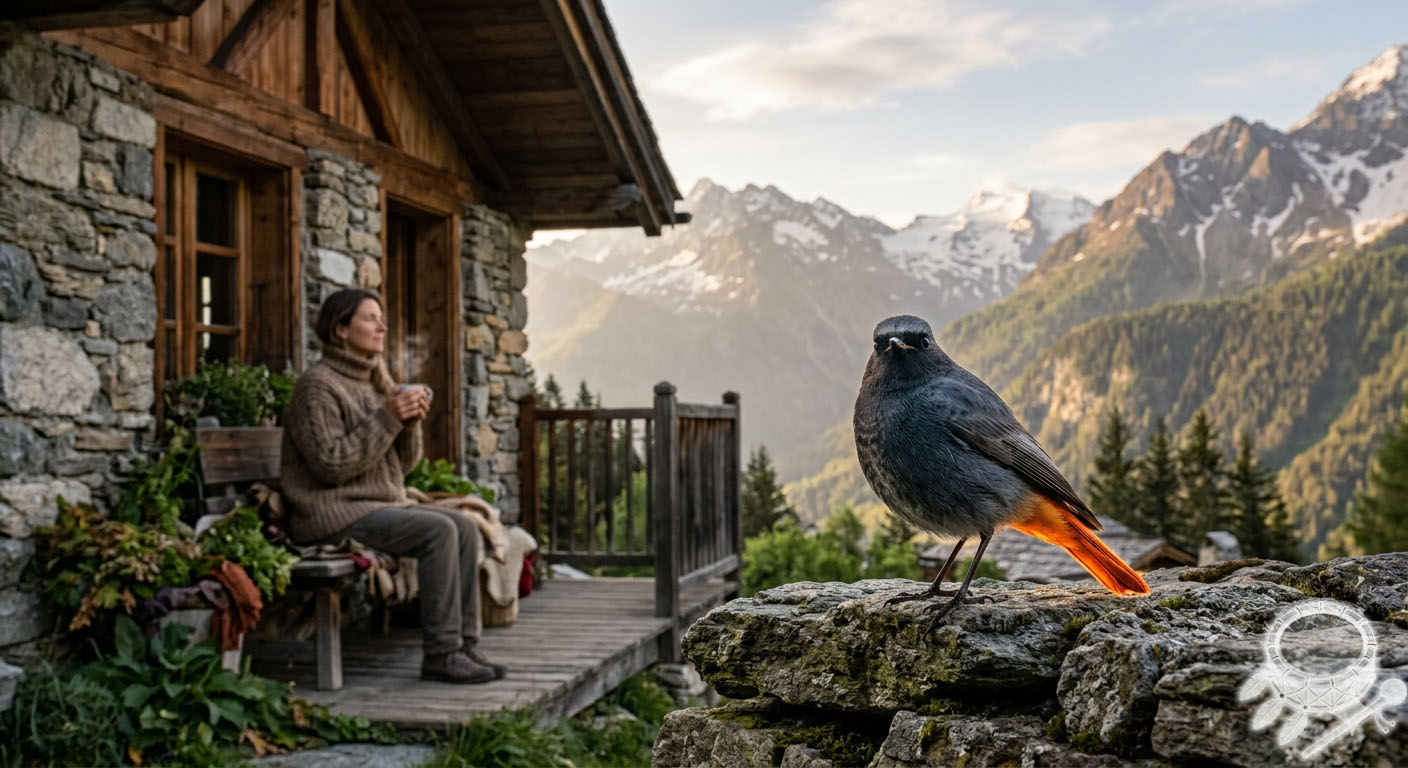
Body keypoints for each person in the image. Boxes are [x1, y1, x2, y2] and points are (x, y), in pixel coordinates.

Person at [279, 288, 505, 684]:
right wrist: (387, 418)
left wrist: (408, 424)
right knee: (438, 531)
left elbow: (401, 467)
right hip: (332, 513)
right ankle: (441, 653)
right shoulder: (317, 386)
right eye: (370, 319)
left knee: (466, 527)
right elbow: (331, 464)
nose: (382, 326)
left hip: (376, 506)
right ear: (340, 330)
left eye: (381, 318)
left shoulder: (376, 382)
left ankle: (464, 644)